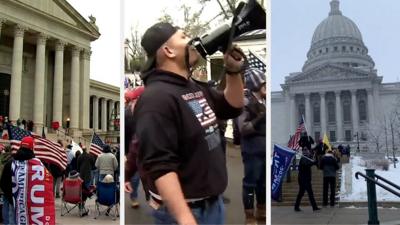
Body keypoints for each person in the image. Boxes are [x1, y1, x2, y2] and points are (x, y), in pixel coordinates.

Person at [134, 22, 244, 225]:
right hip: (185, 213)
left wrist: (233, 71)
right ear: (168, 50)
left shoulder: (191, 86)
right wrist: (185, 218)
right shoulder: (156, 99)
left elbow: (231, 107)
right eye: (184, 37)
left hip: (212, 206)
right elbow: (160, 166)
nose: (193, 42)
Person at [1, 136, 55, 224]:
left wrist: (12, 199)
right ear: (32, 148)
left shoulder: (10, 164)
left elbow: (3, 184)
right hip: (34, 207)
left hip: (14, 205)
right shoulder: (41, 166)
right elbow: (48, 185)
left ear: (20, 146)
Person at [237, 68, 266, 225]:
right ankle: (249, 217)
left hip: (263, 150)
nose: (266, 87)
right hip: (252, 149)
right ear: (256, 85)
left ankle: (262, 212)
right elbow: (243, 128)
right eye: (263, 83)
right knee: (250, 183)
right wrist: (259, 119)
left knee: (262, 183)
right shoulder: (245, 102)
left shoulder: (264, 102)